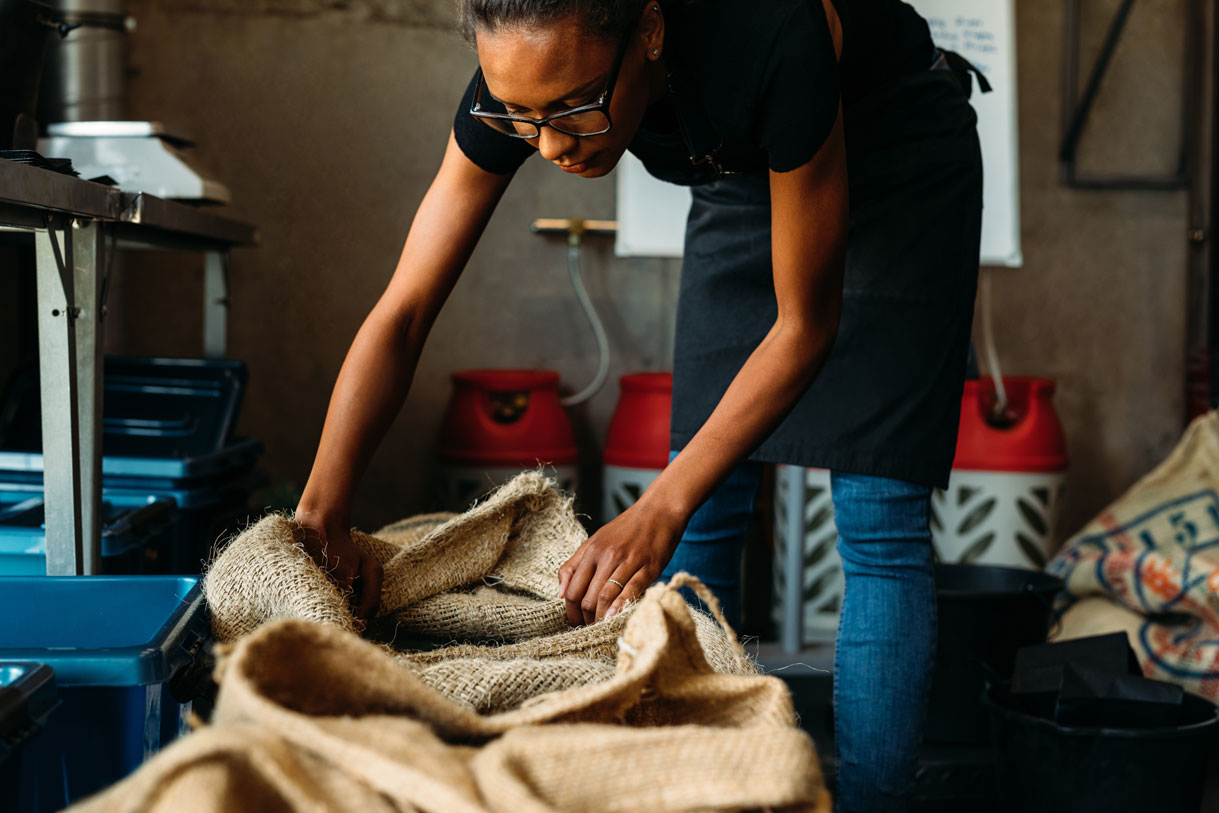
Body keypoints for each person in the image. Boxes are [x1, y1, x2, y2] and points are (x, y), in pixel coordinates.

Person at [293, 0, 984, 809]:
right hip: (744, 168)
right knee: (706, 501)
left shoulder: (769, 31)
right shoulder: (524, 86)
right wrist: (323, 504)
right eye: (521, 116)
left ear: (650, 32)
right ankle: (705, 789)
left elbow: (805, 327)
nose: (549, 144)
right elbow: (404, 311)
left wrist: (656, 506)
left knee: (873, 502)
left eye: (573, 107)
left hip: (896, 152)